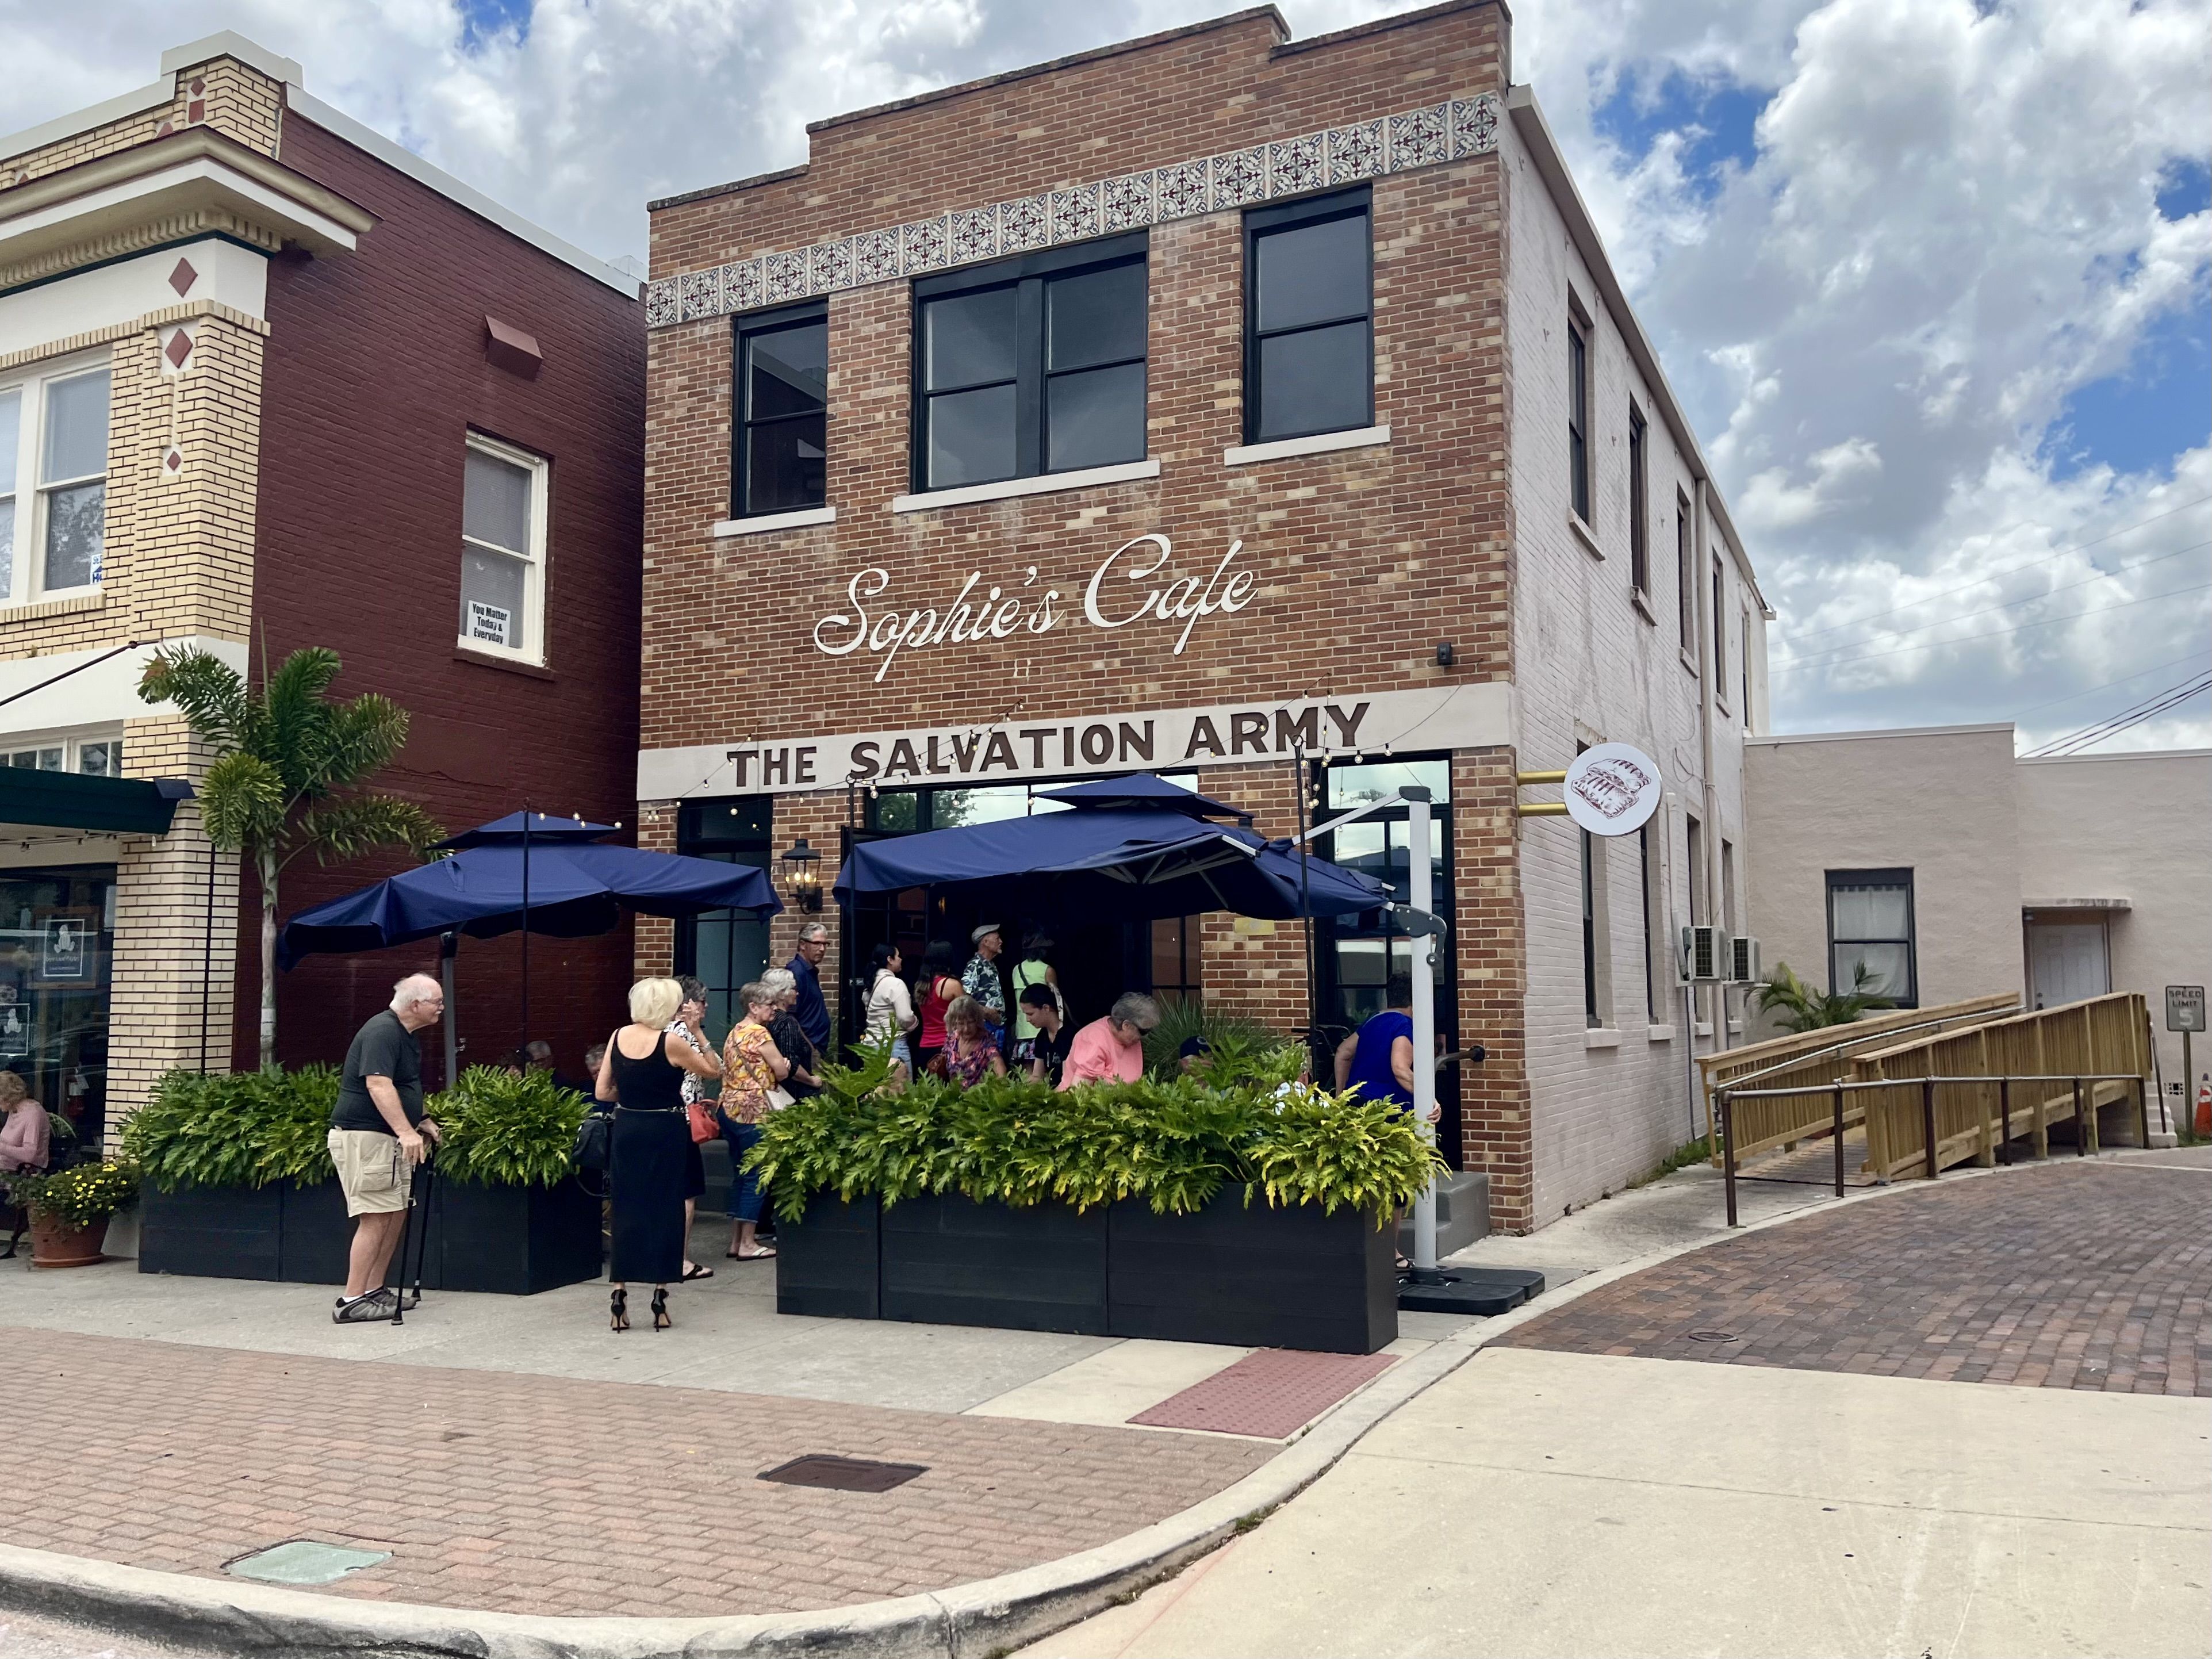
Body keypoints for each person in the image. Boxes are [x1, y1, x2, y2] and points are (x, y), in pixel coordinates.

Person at [596, 977, 721, 1330]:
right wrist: (698, 1033)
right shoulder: (671, 1042)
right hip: (665, 1128)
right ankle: (659, 1298)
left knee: (626, 1207)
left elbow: (602, 1091)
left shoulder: (617, 1036)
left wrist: (632, 1096)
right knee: (666, 1210)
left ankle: (619, 1294)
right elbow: (714, 1070)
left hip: (628, 1127)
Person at [327, 974, 445, 1324]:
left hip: (384, 1139)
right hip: (368, 1138)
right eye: (437, 1002)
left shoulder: (403, 1034)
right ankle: (351, 1300)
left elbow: (401, 1085)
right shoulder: (383, 1031)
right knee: (376, 1216)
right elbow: (378, 1085)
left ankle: (374, 1291)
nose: (442, 1008)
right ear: (416, 1005)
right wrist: (406, 1132)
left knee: (394, 1212)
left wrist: (421, 1119)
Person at [718, 982, 791, 1260]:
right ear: (753, 1007)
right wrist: (783, 1064)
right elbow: (781, 1072)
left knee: (741, 1174)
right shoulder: (760, 1034)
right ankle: (748, 1243)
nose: (774, 1009)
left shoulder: (735, 1032)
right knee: (756, 1175)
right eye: (770, 1004)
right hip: (754, 1111)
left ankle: (736, 1241)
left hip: (729, 1109)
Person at [662, 975, 719, 1283]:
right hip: (683, 1120)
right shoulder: (684, 1033)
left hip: (659, 1118)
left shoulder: (657, 1030)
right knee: (686, 1192)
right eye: (702, 1001)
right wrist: (698, 1030)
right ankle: (680, 1260)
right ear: (688, 1004)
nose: (706, 1006)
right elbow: (716, 1068)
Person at [1333, 974, 1440, 1125]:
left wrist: (1340, 1096)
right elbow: (1400, 1069)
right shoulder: (1404, 1024)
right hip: (1388, 1108)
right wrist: (1428, 1098)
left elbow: (1343, 1052)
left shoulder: (1373, 1020)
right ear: (1416, 1000)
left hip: (1356, 1101)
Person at [1060, 993, 1160, 1090]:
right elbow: (1079, 1091)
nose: (1146, 1036)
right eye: (1144, 1032)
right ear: (1126, 1025)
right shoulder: (1093, 1040)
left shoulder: (1131, 1039)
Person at [1, 1072, 51, 1262]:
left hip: (26, 1171)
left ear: (7, 1096)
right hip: (7, 1168)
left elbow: (30, 1154)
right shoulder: (14, 1111)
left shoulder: (32, 1113)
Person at [760, 967, 825, 1098]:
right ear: (781, 993)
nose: (797, 993)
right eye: (794, 989)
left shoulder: (764, 1020)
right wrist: (811, 1080)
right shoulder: (786, 1022)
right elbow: (791, 1063)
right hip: (793, 1094)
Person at [864, 942, 918, 1085]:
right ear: (890, 959)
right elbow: (905, 1017)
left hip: (872, 1046)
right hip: (894, 1046)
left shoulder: (871, 983)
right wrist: (915, 1023)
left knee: (877, 1091)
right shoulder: (896, 984)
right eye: (898, 956)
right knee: (901, 1091)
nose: (901, 959)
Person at [914, 941, 962, 1076]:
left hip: (925, 1046)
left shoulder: (921, 985)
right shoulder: (952, 985)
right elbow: (966, 1014)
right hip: (947, 1046)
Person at [785, 921, 832, 1055]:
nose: (822, 949)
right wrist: (810, 1049)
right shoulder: (795, 972)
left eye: (825, 944)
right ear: (802, 945)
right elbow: (789, 1017)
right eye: (817, 943)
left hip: (814, 1048)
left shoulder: (809, 971)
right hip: (806, 1051)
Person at [938, 995, 1006, 1086]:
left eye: (970, 1022)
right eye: (961, 1024)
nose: (966, 1029)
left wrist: (1002, 1086)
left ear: (977, 1020)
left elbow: (999, 1066)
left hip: (979, 1094)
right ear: (954, 1023)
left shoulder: (986, 1042)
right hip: (954, 1094)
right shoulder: (952, 1039)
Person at [1015, 982, 1074, 1086]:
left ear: (1046, 1008)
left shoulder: (1069, 1035)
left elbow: (1068, 1079)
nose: (1028, 1019)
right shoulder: (1042, 1037)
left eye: (1030, 1014)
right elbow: (1038, 1076)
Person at [1009, 932, 1060, 1047]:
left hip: (1022, 1032)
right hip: (1043, 1031)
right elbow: (1056, 1000)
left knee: (1023, 1060)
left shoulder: (1017, 970)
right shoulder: (1047, 970)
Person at [962, 923, 1009, 1043]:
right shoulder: (975, 965)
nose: (1001, 942)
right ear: (986, 942)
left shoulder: (991, 965)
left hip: (997, 1027)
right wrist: (987, 1012)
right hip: (985, 1027)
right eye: (997, 939)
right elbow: (964, 998)